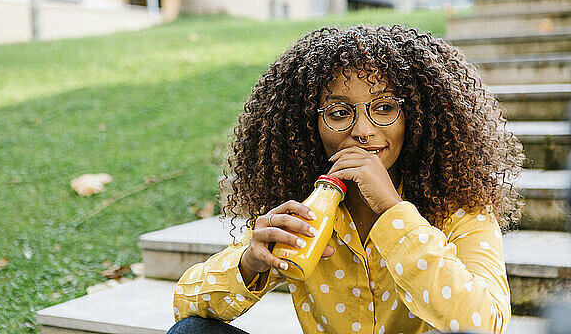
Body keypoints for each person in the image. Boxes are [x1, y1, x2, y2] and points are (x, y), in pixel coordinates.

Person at [168, 25, 525, 334]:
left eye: (385, 108)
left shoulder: (457, 210)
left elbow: (484, 321)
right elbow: (185, 304)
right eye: (339, 113)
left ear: (415, 116)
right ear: (309, 126)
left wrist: (393, 211)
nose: (363, 131)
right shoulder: (304, 209)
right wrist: (250, 263)